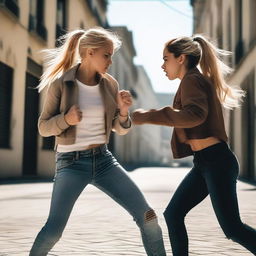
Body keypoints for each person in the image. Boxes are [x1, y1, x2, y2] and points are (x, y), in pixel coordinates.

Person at [29, 27, 166, 256]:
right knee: (54, 230)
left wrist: (123, 112)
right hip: (70, 163)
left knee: (148, 217)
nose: (111, 61)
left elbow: (118, 129)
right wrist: (66, 119)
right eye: (107, 55)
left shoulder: (109, 84)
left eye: (112, 55)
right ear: (90, 52)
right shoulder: (61, 83)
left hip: (104, 161)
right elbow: (44, 127)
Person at [132, 35, 256, 255]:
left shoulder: (192, 79)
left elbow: (194, 115)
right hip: (204, 163)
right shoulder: (191, 80)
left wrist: (146, 116)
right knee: (173, 214)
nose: (162, 65)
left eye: (166, 58)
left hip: (216, 161)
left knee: (233, 229)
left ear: (181, 58)